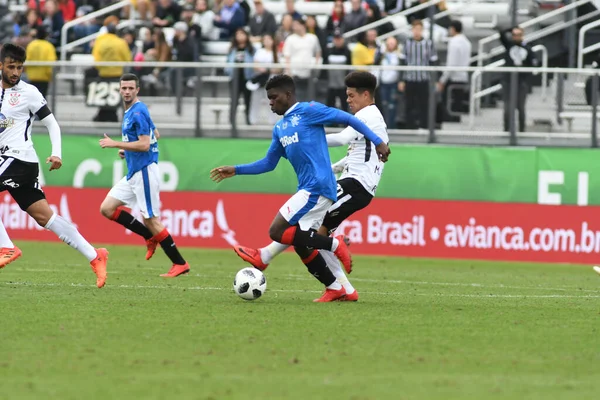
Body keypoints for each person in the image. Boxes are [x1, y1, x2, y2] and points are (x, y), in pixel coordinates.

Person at [210, 74, 391, 302]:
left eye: (274, 97)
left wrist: (377, 141)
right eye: (269, 98)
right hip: (325, 183)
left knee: (288, 232)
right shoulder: (280, 127)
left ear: (287, 95)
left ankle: (277, 254)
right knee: (302, 239)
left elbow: (346, 128)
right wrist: (236, 169)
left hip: (333, 186)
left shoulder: (318, 111)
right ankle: (339, 287)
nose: (270, 102)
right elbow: (268, 163)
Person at [0, 43, 108, 288]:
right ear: (1, 66)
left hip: (20, 159)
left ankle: (6, 246)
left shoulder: (29, 92)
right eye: (11, 67)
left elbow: (52, 124)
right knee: (44, 217)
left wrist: (56, 153)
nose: (16, 72)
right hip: (7, 162)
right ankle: (95, 255)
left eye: (19, 67)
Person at [98, 73, 190, 278]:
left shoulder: (137, 112)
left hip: (144, 171)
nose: (127, 91)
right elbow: (155, 135)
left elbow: (145, 144)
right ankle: (149, 237)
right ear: (120, 90)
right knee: (107, 208)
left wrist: (116, 144)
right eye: (124, 88)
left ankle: (179, 262)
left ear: (137, 89)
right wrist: (128, 150)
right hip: (133, 172)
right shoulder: (134, 110)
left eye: (131, 88)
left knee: (151, 219)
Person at [498, 26, 539, 132]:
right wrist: (511, 28)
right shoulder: (509, 46)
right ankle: (506, 129)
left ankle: (521, 130)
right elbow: (501, 33)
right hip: (508, 81)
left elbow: (534, 63)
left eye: (518, 35)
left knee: (520, 107)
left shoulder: (528, 49)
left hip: (521, 82)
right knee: (507, 108)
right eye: (514, 35)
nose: (516, 37)